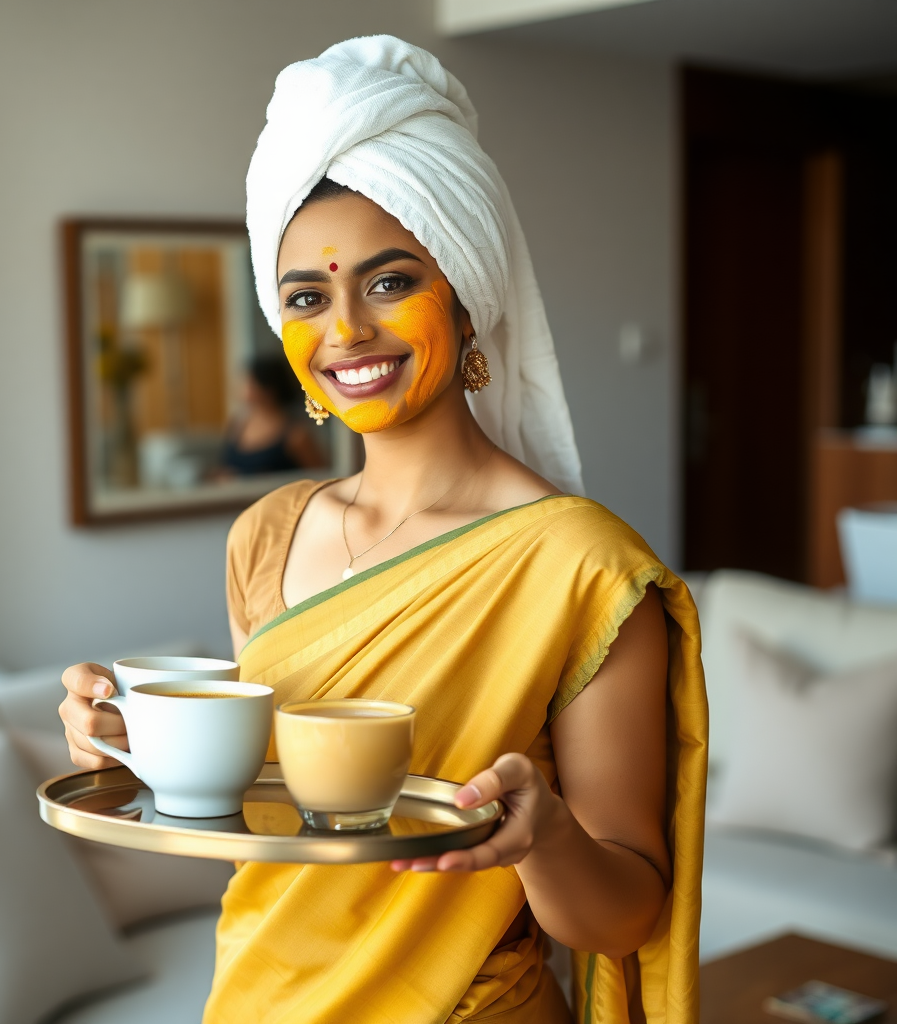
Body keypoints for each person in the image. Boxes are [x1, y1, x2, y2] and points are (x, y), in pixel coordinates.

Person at [59, 36, 707, 1024]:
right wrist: (129, 742)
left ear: (470, 287)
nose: (346, 331)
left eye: (390, 281)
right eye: (307, 298)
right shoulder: (264, 535)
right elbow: (265, 816)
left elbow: (623, 915)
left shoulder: (583, 566)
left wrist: (545, 836)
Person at [218, 354, 326, 477]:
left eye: (248, 381)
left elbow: (320, 475)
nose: (241, 387)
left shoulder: (295, 434)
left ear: (268, 388)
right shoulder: (238, 424)